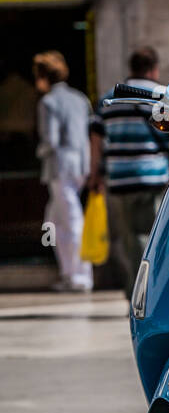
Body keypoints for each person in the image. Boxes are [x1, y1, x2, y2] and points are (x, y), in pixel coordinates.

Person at [88, 46, 169, 297]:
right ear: (153, 69)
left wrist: (95, 174)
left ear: (131, 68)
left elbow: (96, 140)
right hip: (152, 178)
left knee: (130, 240)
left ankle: (136, 292)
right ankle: (153, 292)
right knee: (155, 237)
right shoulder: (161, 96)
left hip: (119, 180)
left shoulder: (108, 99)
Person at [33, 51, 92, 292]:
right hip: (81, 165)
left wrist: (38, 151)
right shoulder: (80, 98)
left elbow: (51, 140)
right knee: (55, 221)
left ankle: (80, 276)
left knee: (71, 221)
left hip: (60, 166)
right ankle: (69, 273)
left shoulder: (48, 102)